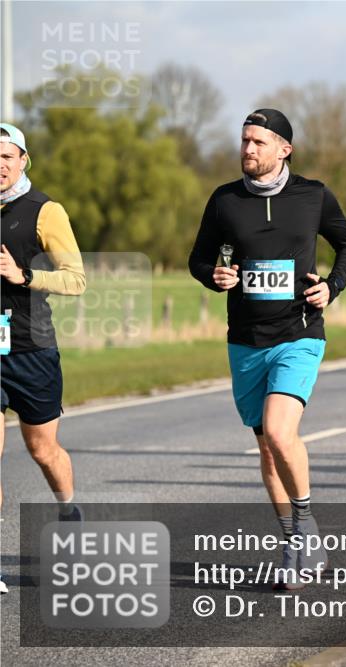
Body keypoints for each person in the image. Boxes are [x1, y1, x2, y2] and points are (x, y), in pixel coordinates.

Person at [188, 109, 346, 589]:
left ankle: (305, 529)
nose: (248, 150)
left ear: (284, 148)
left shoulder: (313, 195)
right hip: (245, 340)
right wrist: (214, 276)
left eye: (258, 142)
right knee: (267, 450)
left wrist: (332, 287)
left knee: (282, 432)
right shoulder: (224, 201)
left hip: (299, 333)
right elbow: (198, 258)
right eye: (244, 141)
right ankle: (292, 540)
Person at [0, 123, 87, 595]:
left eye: (6, 157)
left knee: (42, 451)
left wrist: (23, 274)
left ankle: (69, 510)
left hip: (31, 348)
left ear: (23, 160)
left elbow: (76, 279)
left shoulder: (44, 211)